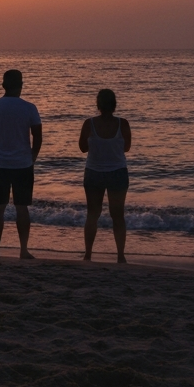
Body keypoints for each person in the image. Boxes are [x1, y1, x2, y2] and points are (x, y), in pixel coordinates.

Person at [0, 69, 42, 259]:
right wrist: (33, 156)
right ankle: (23, 250)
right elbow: (37, 136)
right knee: (22, 207)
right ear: (21, 85)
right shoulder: (29, 108)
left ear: (3, 85)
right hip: (23, 164)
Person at [79, 88, 131, 264]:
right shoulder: (123, 124)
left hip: (94, 172)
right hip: (117, 172)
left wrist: (97, 145)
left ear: (98, 105)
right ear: (114, 105)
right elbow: (126, 148)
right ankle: (120, 255)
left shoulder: (89, 124)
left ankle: (88, 254)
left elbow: (82, 148)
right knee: (118, 216)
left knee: (93, 214)